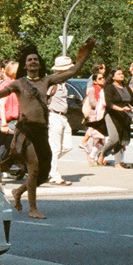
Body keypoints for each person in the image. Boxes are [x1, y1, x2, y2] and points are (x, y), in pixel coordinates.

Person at [0, 39, 95, 218]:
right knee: (33, 167)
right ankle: (33, 208)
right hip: (26, 131)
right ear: (25, 65)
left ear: (40, 64)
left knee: (44, 173)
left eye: (36, 60)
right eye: (30, 60)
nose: (33, 62)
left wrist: (84, 58)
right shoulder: (19, 83)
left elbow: (71, 72)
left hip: (42, 131)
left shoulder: (47, 80)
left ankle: (18, 192)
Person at [45, 56, 74, 185]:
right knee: (55, 147)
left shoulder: (63, 83)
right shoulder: (53, 83)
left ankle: (46, 163)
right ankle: (54, 175)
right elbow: (44, 99)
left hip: (63, 116)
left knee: (68, 146)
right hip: (54, 116)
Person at [103, 67, 133, 168]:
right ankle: (102, 154)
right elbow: (109, 103)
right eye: (119, 74)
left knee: (121, 140)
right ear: (113, 77)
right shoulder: (109, 87)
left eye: (122, 73)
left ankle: (117, 163)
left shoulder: (126, 87)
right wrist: (121, 109)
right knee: (114, 138)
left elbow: (132, 101)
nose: (121, 75)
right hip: (112, 115)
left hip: (125, 116)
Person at [82, 70, 107, 165]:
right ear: (95, 81)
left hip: (102, 115)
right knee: (98, 137)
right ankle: (92, 157)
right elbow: (92, 103)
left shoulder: (104, 89)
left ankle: (97, 157)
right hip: (95, 115)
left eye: (103, 78)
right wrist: (102, 105)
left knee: (100, 138)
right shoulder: (93, 89)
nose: (102, 80)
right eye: (99, 79)